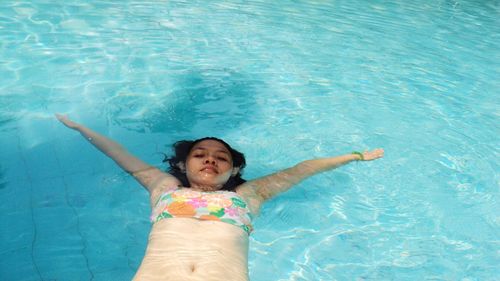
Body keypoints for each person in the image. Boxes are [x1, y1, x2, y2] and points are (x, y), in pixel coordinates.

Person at [55, 114, 384, 281]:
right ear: (185, 164)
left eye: (221, 158)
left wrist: (354, 156)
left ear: (233, 170)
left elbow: (301, 169)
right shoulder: (164, 187)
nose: (210, 159)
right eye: (200, 154)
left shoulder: (248, 194)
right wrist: (81, 128)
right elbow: (118, 153)